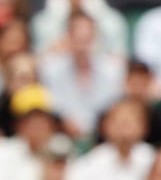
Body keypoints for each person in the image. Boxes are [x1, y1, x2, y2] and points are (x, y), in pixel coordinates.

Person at [37, 9, 125, 139]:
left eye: (87, 39)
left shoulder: (114, 69)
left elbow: (113, 106)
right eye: (78, 39)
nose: (83, 46)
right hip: (61, 135)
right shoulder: (49, 69)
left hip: (103, 137)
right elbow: (51, 105)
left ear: (96, 36)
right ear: (68, 36)